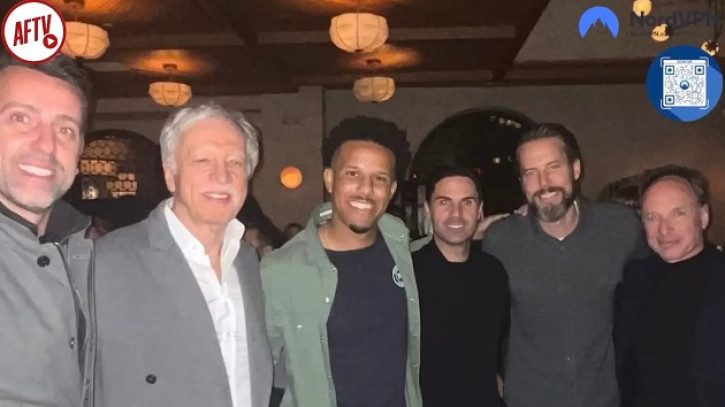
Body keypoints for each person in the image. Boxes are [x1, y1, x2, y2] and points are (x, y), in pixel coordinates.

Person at [94, 104, 272, 407]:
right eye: (202, 160)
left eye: (235, 162)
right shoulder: (108, 263)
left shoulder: (246, 261)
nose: (222, 176)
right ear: (170, 175)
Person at [481, 123, 648, 407]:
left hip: (603, 398)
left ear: (576, 169)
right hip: (528, 399)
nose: (544, 183)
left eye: (553, 167)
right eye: (530, 173)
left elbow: (657, 293)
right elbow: (478, 316)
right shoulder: (500, 240)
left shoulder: (620, 228)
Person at [261, 116, 422, 407]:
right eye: (352, 174)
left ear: (392, 190)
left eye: (379, 178)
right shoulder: (281, 270)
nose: (366, 189)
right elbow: (253, 370)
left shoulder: (399, 244)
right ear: (329, 179)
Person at [0, 51, 95, 406]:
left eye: (65, 129)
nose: (46, 145)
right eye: (21, 118)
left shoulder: (82, 252)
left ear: (80, 151)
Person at [614, 165, 725, 407]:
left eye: (677, 213)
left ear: (703, 216)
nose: (664, 229)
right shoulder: (630, 279)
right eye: (652, 217)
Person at [413, 167, 509, 407]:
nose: (456, 214)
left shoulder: (493, 272)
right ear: (428, 210)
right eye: (444, 202)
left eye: (467, 202)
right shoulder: (408, 275)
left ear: (480, 210)